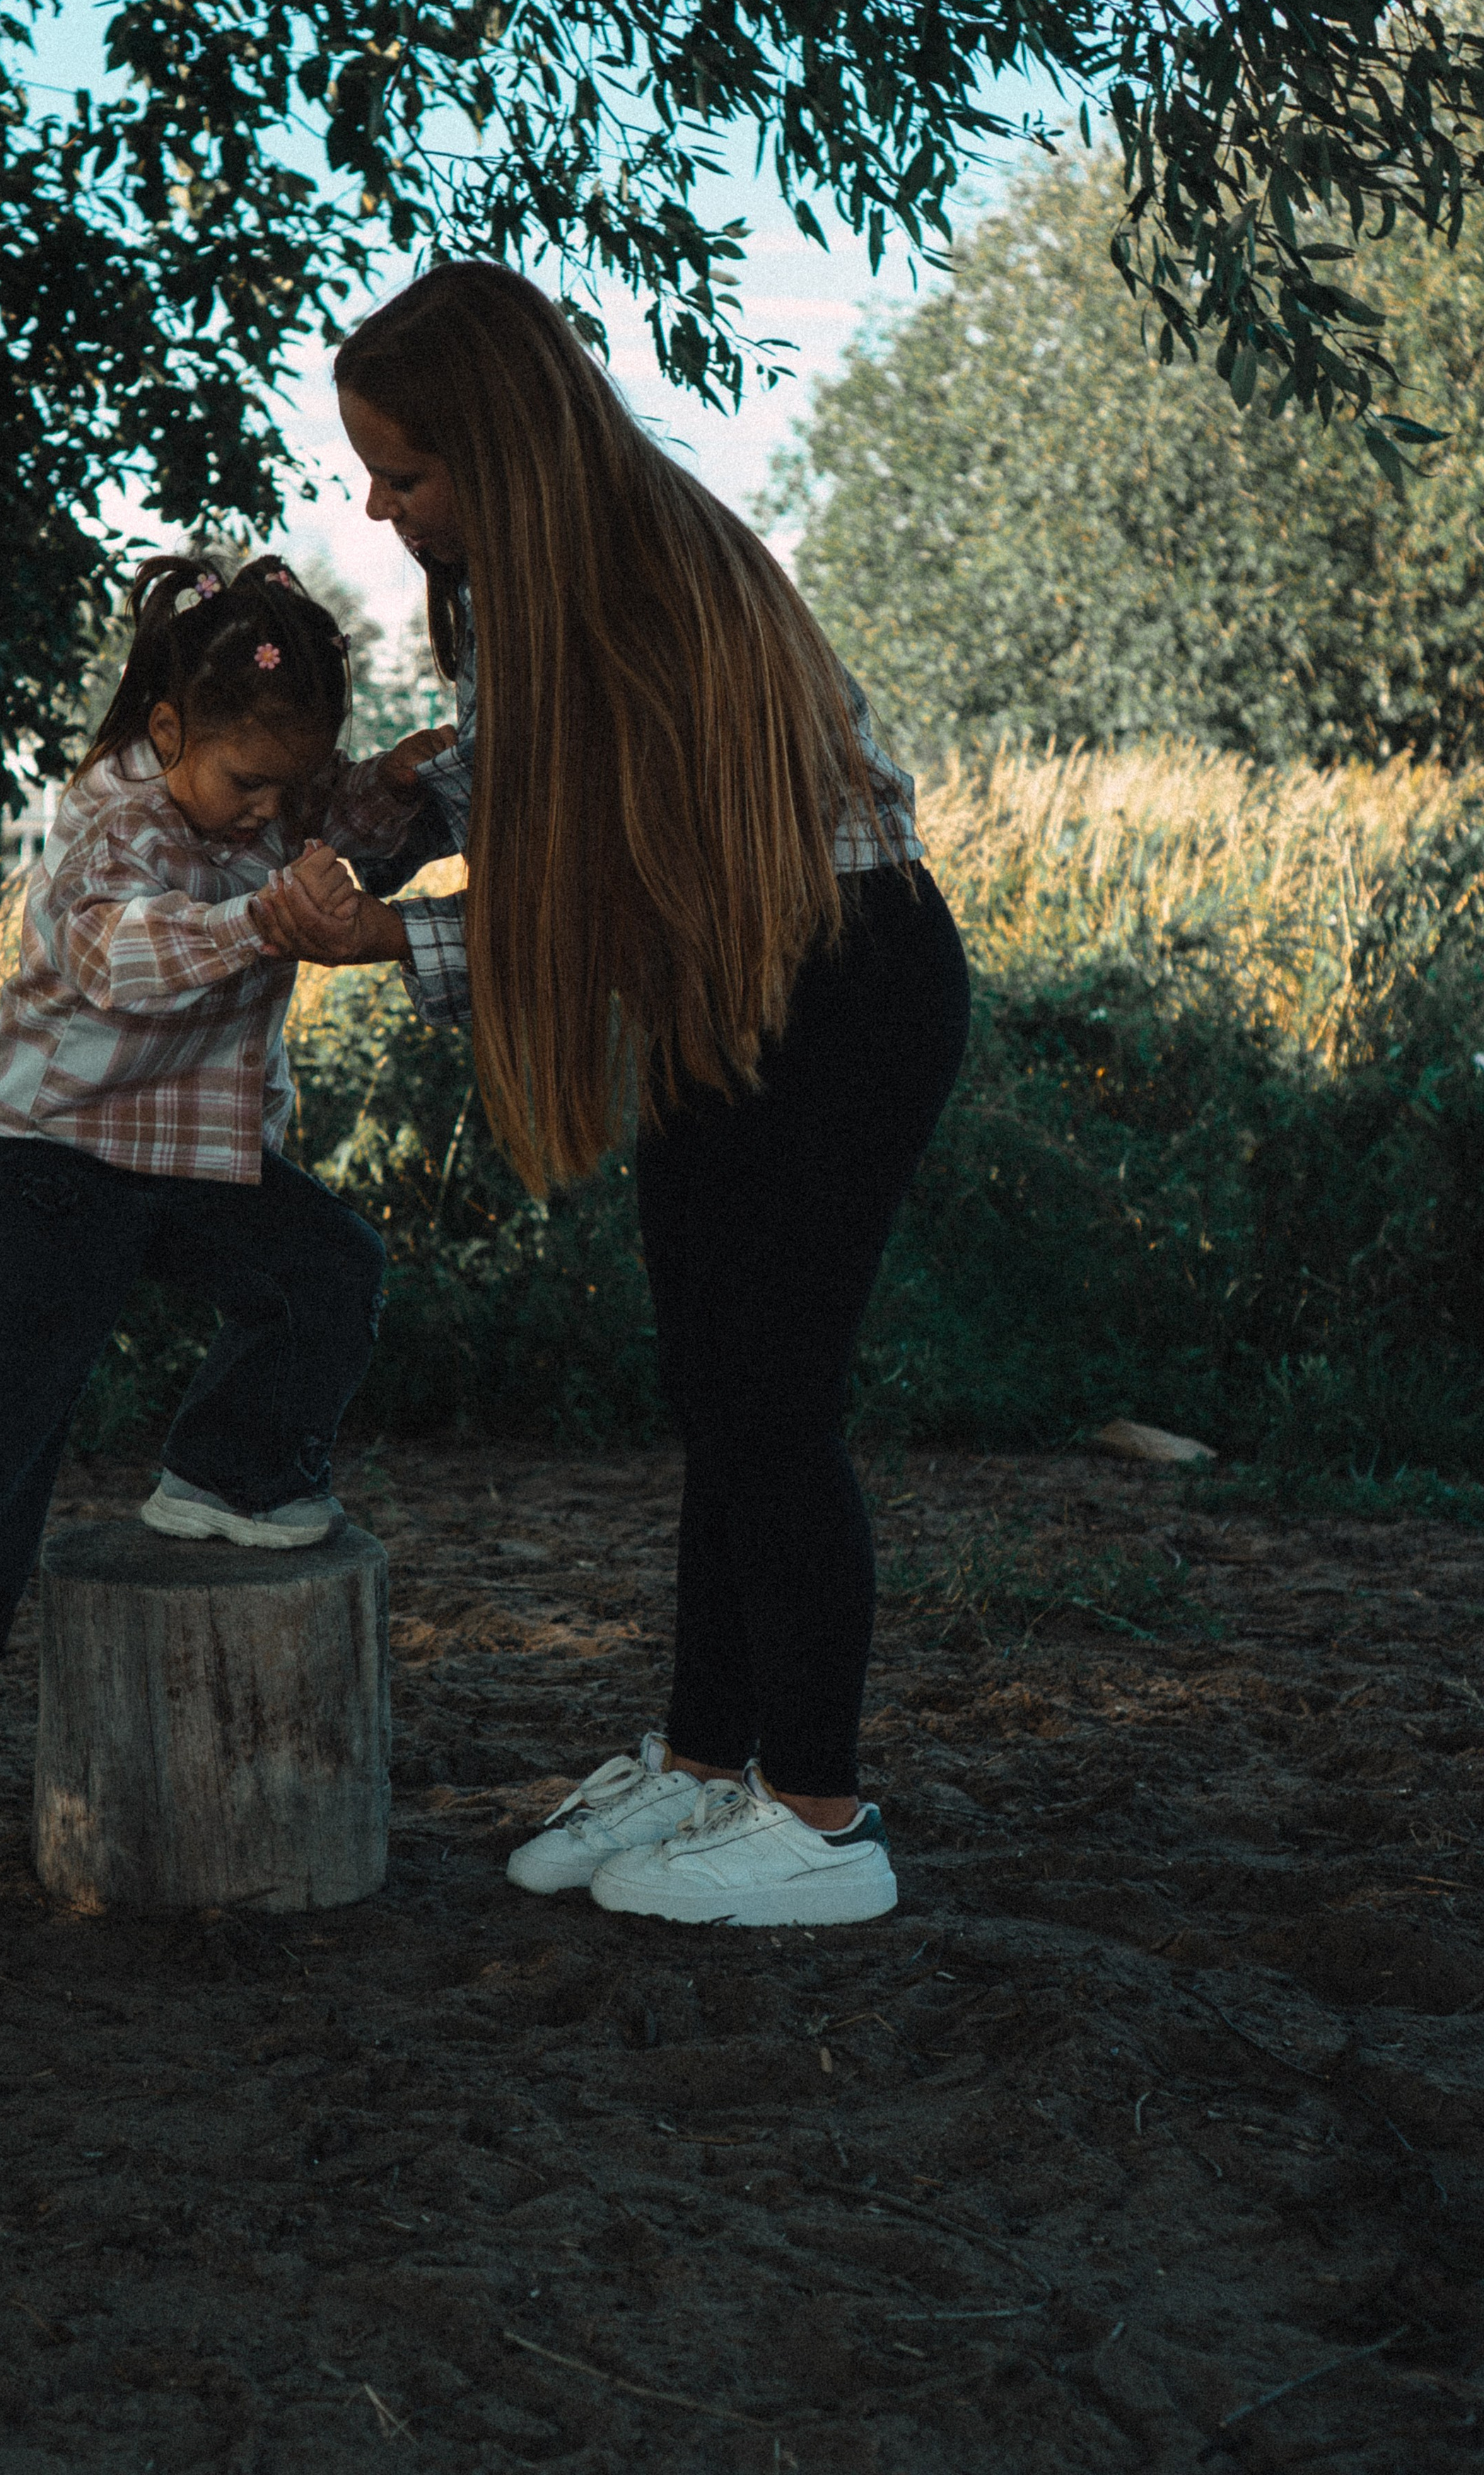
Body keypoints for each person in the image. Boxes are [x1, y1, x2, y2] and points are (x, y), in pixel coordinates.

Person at [263, 263, 971, 1930]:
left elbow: (621, 878)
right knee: (714, 1385)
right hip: (736, 990)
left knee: (772, 1400)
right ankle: (708, 1755)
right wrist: (383, 803)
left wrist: (391, 940)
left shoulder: (650, 585)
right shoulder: (531, 578)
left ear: (504, 453)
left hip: (842, 985)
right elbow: (526, 772)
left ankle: (815, 1815)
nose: (376, 503)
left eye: (407, 473)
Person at [0, 552, 448, 1780]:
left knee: (329, 1269)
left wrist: (391, 785)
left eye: (295, 786)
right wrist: (264, 920)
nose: (269, 815)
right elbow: (123, 959)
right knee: (14, 1390)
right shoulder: (112, 818)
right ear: (168, 729)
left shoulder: (271, 794)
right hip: (52, 1145)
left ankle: (228, 1471)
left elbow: (341, 839)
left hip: (193, 1150)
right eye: (246, 783)